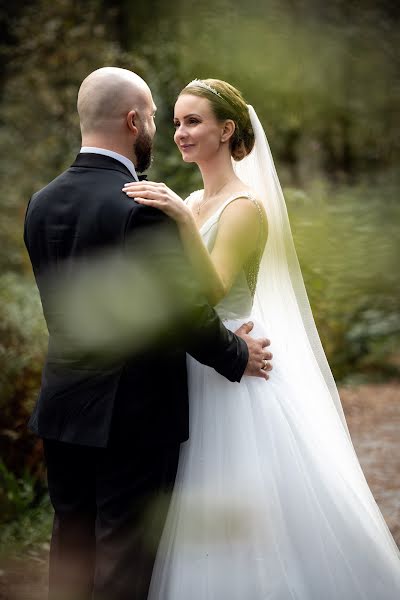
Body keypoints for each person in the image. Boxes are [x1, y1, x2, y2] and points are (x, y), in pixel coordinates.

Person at [122, 78, 400, 599]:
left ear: (227, 130)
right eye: (177, 121)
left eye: (194, 121)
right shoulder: (191, 198)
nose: (180, 133)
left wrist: (180, 217)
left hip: (235, 361)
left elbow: (213, 286)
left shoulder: (244, 207)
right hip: (192, 358)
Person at [23, 68, 272, 600]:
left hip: (64, 404)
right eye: (159, 118)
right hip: (133, 412)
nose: (164, 130)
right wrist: (235, 354)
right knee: (122, 555)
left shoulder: (40, 204)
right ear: (133, 120)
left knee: (71, 546)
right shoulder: (144, 206)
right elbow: (181, 311)